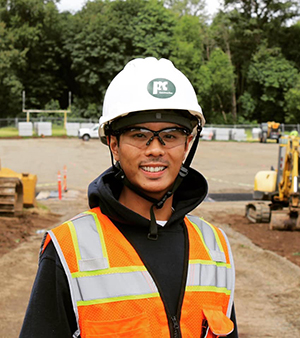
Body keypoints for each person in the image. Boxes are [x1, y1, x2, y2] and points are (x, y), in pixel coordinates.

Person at [20, 57, 238, 338]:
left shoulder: (216, 248)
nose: (156, 149)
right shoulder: (69, 249)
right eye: (139, 134)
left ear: (187, 145)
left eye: (170, 135)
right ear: (114, 144)